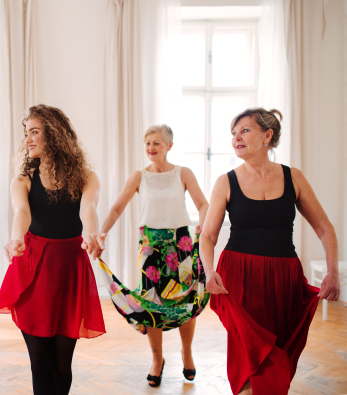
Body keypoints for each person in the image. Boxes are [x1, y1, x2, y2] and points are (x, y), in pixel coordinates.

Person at [200, 108, 341, 395]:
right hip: (238, 279)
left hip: (283, 278)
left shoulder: (294, 177)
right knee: (249, 357)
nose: (236, 138)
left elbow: (325, 229)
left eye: (244, 130)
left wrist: (333, 271)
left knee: (278, 355)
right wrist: (209, 270)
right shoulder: (225, 182)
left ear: (267, 136)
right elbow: (208, 236)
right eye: (233, 133)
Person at [0, 105, 106, 395]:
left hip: (69, 269)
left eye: (35, 132)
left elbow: (88, 208)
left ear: (54, 136)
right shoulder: (22, 181)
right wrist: (15, 237)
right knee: (40, 362)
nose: (28, 139)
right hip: (34, 268)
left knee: (61, 365)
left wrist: (92, 234)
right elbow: (22, 213)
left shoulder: (86, 178)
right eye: (26, 132)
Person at [99, 124, 210, 387]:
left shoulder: (183, 173)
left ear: (169, 146)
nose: (151, 147)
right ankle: (157, 360)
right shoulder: (139, 176)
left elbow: (203, 204)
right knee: (152, 304)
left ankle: (187, 353)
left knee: (184, 301)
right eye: (147, 142)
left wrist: (203, 224)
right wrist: (101, 234)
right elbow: (116, 207)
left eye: (157, 143)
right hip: (149, 246)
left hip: (181, 244)